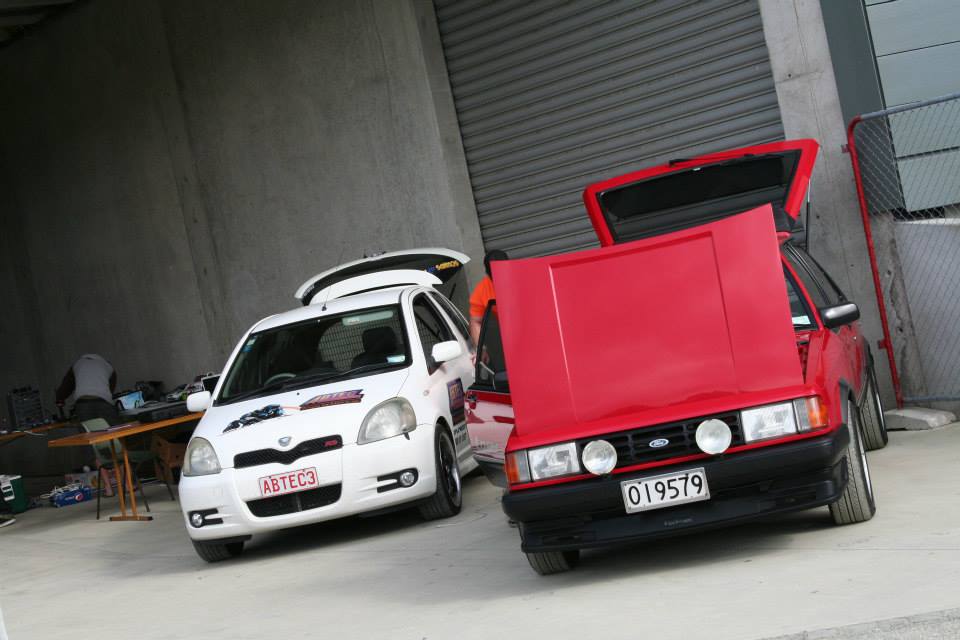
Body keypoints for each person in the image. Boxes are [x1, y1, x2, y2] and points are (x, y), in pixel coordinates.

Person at [55, 354, 120, 425]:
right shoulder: (109, 366)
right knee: (113, 429)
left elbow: (66, 385)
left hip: (83, 403)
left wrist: (60, 398)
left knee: (89, 430)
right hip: (103, 402)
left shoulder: (77, 364)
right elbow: (110, 390)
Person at [469, 249, 508, 346]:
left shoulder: (526, 278)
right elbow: (475, 321)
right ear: (488, 273)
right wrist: (481, 349)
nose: (501, 279)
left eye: (503, 273)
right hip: (509, 334)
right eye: (496, 276)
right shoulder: (482, 290)